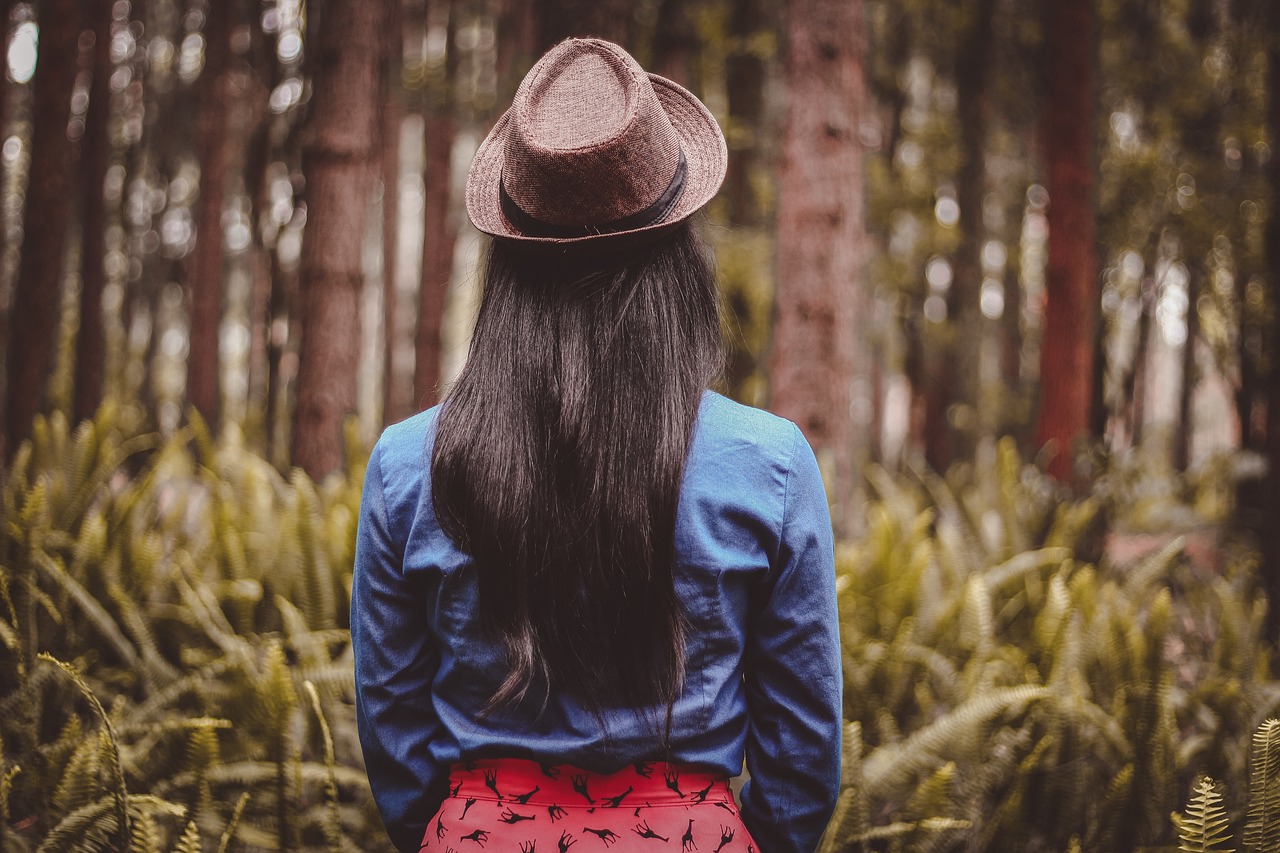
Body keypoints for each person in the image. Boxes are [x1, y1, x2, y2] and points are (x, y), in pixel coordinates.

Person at [352, 37, 841, 853]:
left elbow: (394, 735)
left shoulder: (408, 466)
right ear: (677, 255)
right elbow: (804, 752)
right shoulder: (771, 464)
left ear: (507, 256)